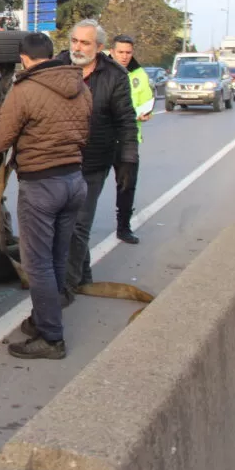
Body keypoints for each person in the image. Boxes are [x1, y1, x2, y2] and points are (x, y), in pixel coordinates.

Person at [0, 32, 92, 360]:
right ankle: (43, 318)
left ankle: (51, 337)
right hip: (75, 181)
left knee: (38, 265)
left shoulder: (25, 91)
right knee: (58, 257)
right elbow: (86, 131)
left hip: (42, 186)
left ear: (24, 57)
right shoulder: (81, 87)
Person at [53, 20, 138, 297]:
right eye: (74, 41)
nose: (77, 47)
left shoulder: (114, 76)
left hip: (94, 161)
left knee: (78, 224)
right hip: (59, 158)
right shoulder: (55, 67)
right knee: (62, 222)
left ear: (99, 47)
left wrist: (127, 161)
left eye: (85, 43)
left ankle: (66, 286)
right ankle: (83, 274)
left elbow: (126, 121)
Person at [109, 34, 154, 244]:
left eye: (128, 52)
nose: (125, 56)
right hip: (103, 136)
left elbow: (146, 100)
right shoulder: (102, 71)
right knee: (87, 186)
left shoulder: (139, 74)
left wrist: (145, 113)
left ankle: (123, 227)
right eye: (121, 52)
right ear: (112, 51)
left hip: (128, 137)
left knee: (127, 185)